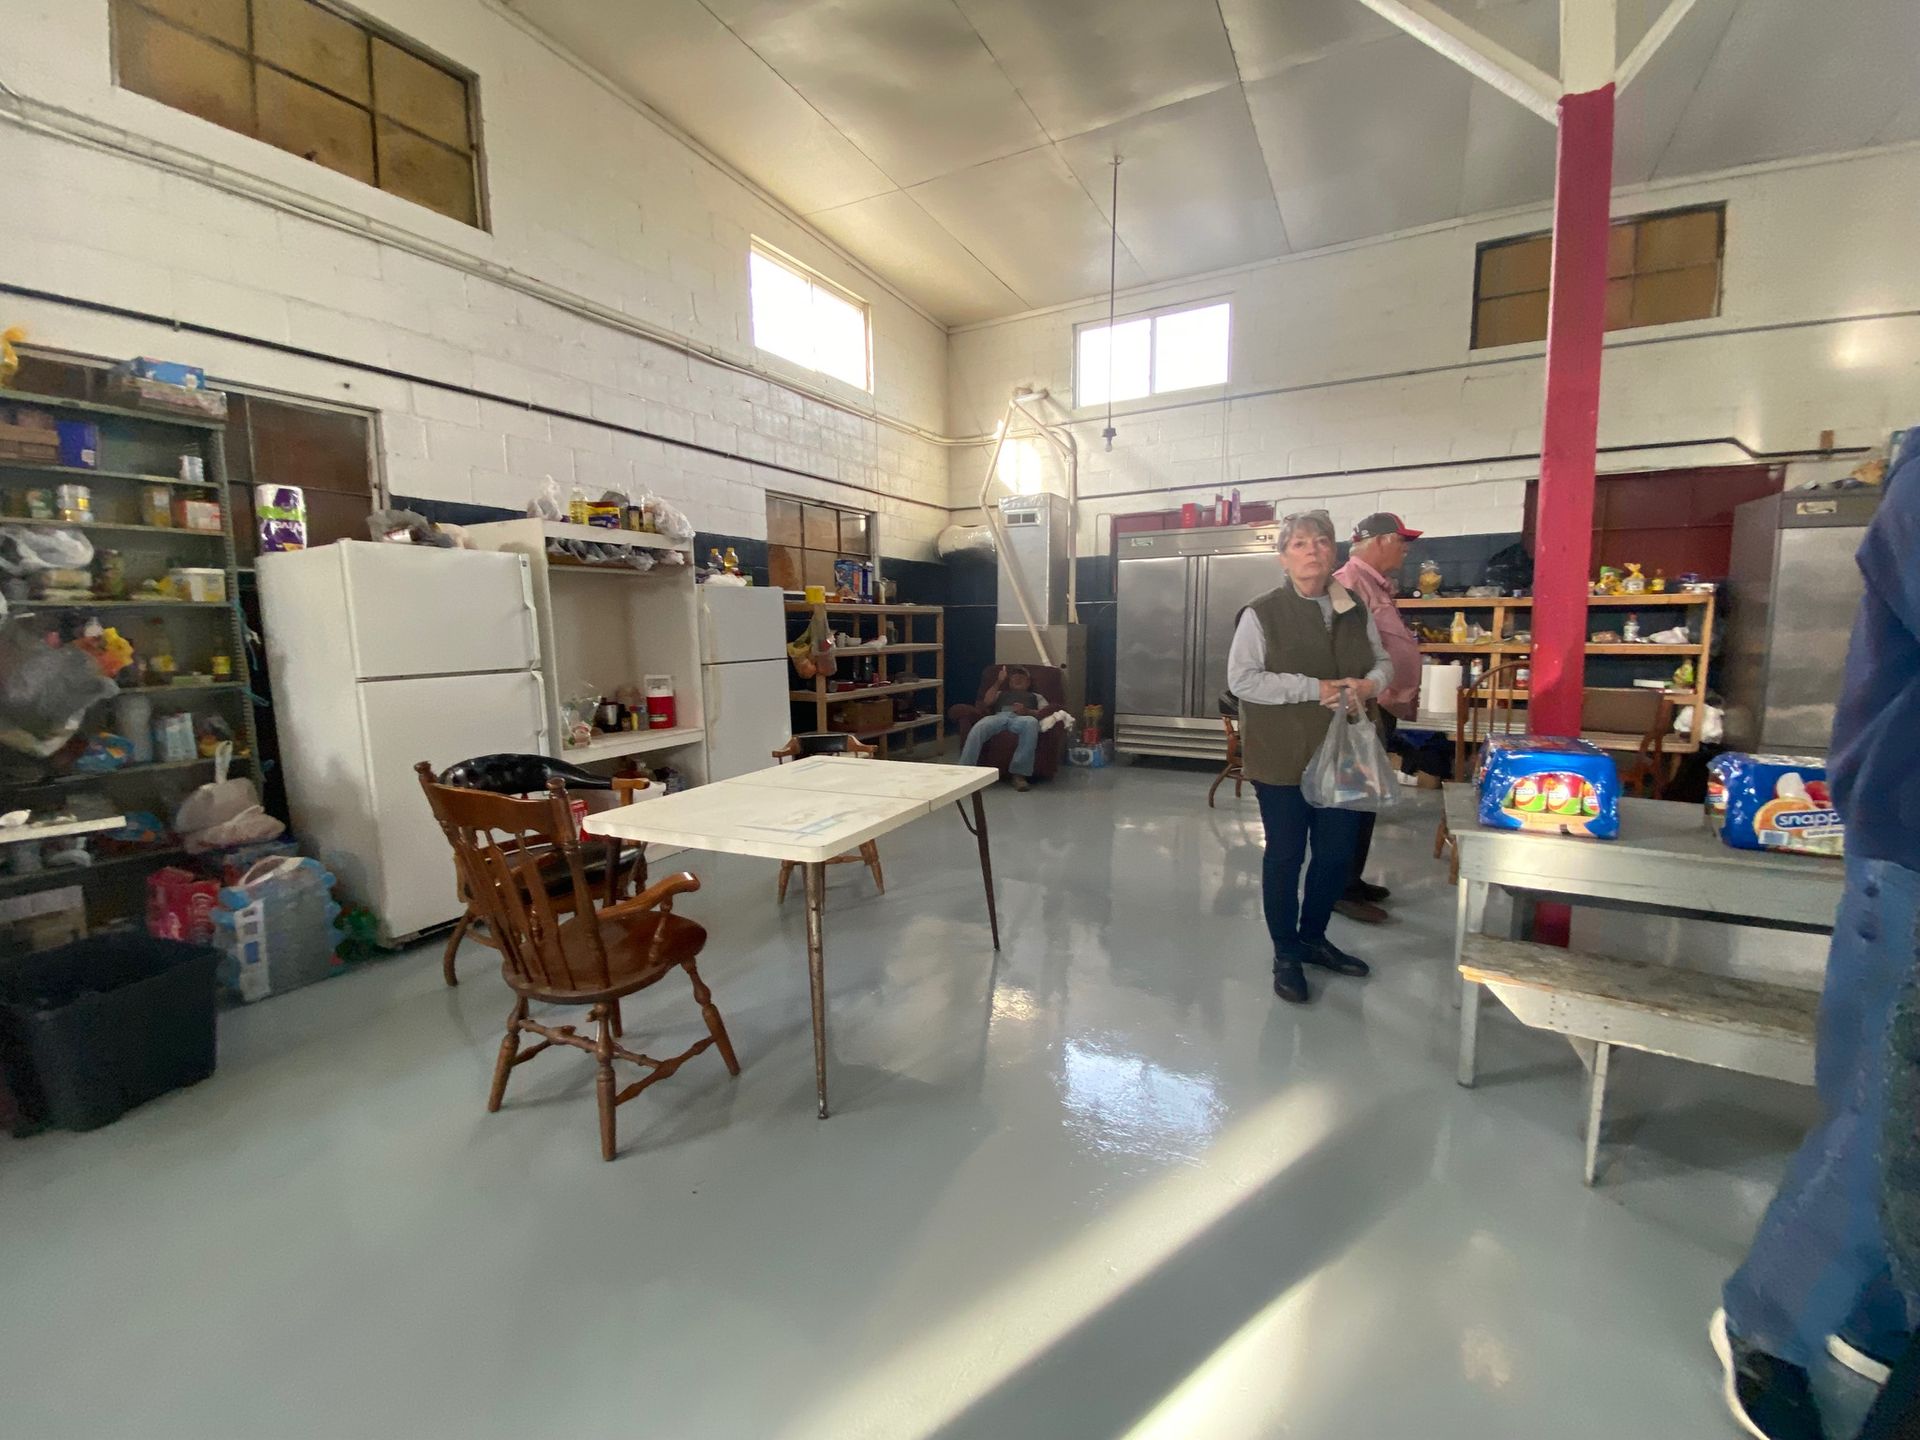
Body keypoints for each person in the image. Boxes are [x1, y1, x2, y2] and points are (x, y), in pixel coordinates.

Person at [1712, 430, 1920, 1440]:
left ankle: (1870, 1315)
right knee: (1890, 1112)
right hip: (1912, 853)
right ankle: (1768, 1321)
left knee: (1889, 1110)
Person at [1227, 509, 1393, 1005]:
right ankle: (1285, 952)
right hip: (1281, 755)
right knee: (1285, 854)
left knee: (1336, 854)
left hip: (1345, 752)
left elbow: (1383, 662)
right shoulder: (1261, 613)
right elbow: (1243, 679)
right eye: (1299, 544)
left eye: (1321, 542)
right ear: (1283, 557)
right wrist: (1310, 688)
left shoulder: (1354, 610)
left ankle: (1314, 938)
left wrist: (1371, 683)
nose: (1312, 551)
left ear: (1335, 552)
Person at [1332, 512, 1424, 925]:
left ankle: (1351, 879)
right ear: (1380, 541)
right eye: (1401, 540)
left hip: (1380, 707)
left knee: (1364, 798)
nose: (1406, 549)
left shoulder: (1372, 584)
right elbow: (1339, 648)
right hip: (1362, 709)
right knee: (1352, 798)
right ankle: (1338, 887)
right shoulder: (1347, 583)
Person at [960, 665, 1050, 792]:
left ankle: (1019, 775)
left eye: (1021, 678)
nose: (1017, 680)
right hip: (999, 716)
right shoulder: (1000, 693)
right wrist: (999, 681)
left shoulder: (1036, 696)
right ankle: (964, 771)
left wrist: (1027, 711)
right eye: (1014, 678)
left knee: (1032, 724)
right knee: (980, 726)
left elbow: (1045, 712)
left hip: (1023, 718)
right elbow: (986, 702)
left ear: (1028, 682)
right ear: (1009, 682)